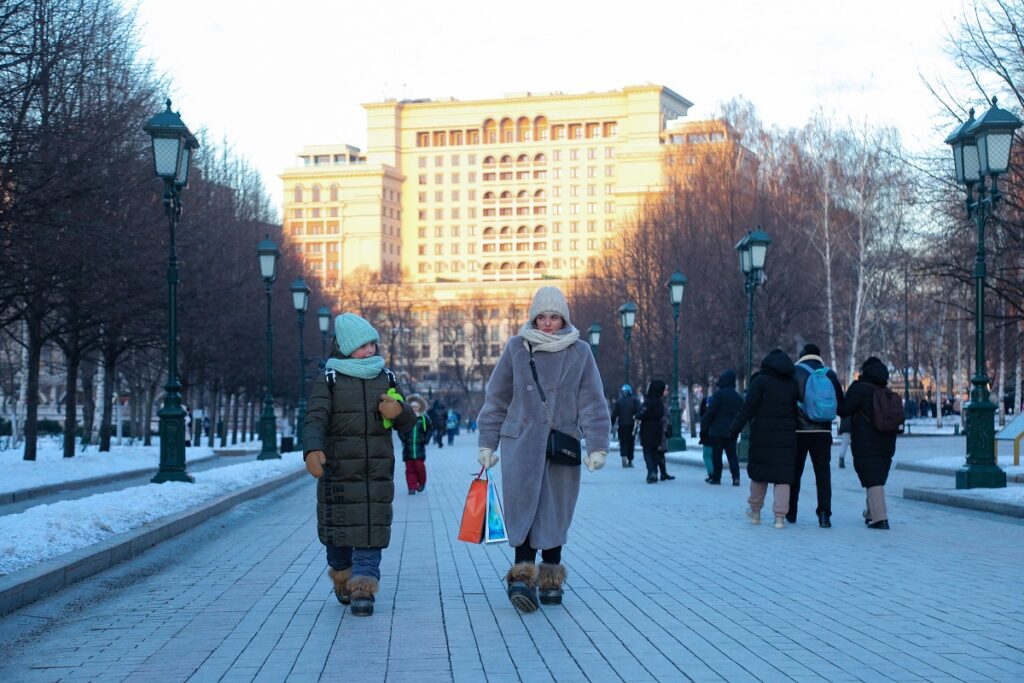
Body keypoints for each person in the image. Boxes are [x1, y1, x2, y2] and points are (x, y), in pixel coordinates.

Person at [476, 286, 610, 613]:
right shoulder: (517, 348)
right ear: (533, 317)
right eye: (542, 316)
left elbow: (592, 402)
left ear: (563, 318)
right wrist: (487, 442)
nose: (548, 323)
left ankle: (551, 577)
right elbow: (497, 398)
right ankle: (522, 576)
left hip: (561, 444)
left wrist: (597, 446)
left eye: (554, 316)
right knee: (523, 506)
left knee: (556, 509)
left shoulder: (580, 352)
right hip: (520, 442)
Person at [302, 313, 416, 617]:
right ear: (346, 347)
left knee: (370, 529)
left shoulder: (386, 377)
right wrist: (312, 448)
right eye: (363, 345)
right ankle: (342, 575)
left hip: (375, 473)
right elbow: (315, 418)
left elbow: (409, 423)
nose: (370, 350)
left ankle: (363, 588)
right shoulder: (330, 378)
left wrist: (399, 410)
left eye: (373, 344)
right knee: (338, 535)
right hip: (338, 471)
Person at [729, 349, 799, 529]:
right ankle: (780, 517)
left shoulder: (760, 381)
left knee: (760, 474)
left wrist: (734, 429)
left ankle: (755, 511)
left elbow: (748, 408)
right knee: (783, 477)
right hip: (786, 436)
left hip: (762, 435)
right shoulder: (791, 383)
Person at [837, 357, 898, 530]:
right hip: (887, 440)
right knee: (876, 476)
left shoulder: (860, 389)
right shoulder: (886, 391)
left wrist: (839, 392)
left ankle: (880, 519)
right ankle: (871, 513)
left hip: (865, 440)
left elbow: (843, 410)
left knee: (872, 478)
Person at [789, 343, 845, 528]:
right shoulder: (829, 374)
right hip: (823, 431)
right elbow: (841, 405)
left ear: (802, 355)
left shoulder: (795, 372)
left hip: (799, 431)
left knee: (795, 472)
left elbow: (789, 402)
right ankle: (824, 515)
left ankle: (791, 512)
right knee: (823, 473)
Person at [700, 369, 743, 486]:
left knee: (717, 456)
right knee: (732, 455)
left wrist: (704, 425)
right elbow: (742, 412)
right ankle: (736, 477)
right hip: (731, 430)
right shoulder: (737, 396)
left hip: (717, 431)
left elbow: (711, 412)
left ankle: (716, 478)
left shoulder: (719, 395)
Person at [638, 379, 673, 483]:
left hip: (648, 428)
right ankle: (658, 472)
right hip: (658, 428)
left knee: (647, 451)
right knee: (656, 451)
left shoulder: (648, 402)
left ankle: (651, 471)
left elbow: (643, 414)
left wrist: (637, 416)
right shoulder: (660, 402)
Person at [399, 394, 432, 495]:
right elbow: (400, 429)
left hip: (419, 448)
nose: (414, 408)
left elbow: (429, 430)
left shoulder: (423, 419)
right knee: (409, 469)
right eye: (412, 406)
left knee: (420, 467)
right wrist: (404, 439)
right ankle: (411, 487)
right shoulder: (406, 418)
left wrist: (425, 439)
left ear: (419, 407)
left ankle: (421, 483)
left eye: (416, 406)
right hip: (408, 449)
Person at [611, 384, 642, 468]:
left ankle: (623, 455)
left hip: (622, 425)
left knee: (623, 442)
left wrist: (611, 424)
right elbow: (639, 412)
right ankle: (630, 459)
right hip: (632, 425)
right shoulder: (635, 400)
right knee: (631, 442)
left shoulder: (619, 402)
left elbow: (614, 415)